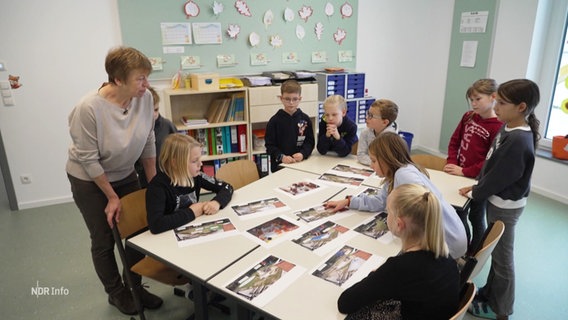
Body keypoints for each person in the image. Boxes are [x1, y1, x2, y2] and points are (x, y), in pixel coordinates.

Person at [66, 46, 162, 315]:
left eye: (147, 77)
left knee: (136, 231)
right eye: (140, 78)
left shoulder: (142, 99)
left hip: (125, 172)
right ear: (118, 79)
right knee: (104, 237)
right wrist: (111, 196)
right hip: (89, 180)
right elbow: (88, 160)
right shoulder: (88, 109)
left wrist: (153, 185)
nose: (146, 84)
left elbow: (148, 140)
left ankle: (134, 285)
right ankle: (116, 292)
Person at [460, 79, 540, 320]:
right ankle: (490, 294)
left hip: (506, 207)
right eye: (497, 100)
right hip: (496, 201)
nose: (496, 107)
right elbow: (491, 164)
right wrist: (478, 185)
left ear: (521, 107)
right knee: (496, 253)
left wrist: (477, 192)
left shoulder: (518, 139)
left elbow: (502, 176)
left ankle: (502, 309)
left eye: (502, 103)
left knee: (503, 260)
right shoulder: (508, 127)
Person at [325, 132, 467, 259]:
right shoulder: (397, 173)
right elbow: (381, 201)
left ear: (387, 159)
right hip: (448, 238)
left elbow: (423, 212)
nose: (371, 165)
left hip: (446, 245)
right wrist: (349, 201)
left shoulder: (404, 175)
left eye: (374, 161)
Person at [337, 183, 459, 320]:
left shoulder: (400, 267)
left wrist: (377, 276)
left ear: (399, 224)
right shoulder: (444, 254)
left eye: (388, 212)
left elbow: (345, 303)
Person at [445, 79, 503, 254]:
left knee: (476, 216)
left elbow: (490, 161)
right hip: (458, 175)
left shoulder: (498, 126)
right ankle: (462, 247)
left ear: (493, 97)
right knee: (458, 213)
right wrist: (452, 162)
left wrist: (465, 171)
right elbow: (455, 141)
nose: (474, 103)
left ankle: (474, 253)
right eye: (472, 99)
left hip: (478, 180)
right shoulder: (468, 116)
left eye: (478, 99)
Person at [146, 133, 233, 234]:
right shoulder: (157, 187)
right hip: (167, 239)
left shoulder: (197, 176)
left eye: (199, 159)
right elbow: (156, 225)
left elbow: (227, 187)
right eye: (194, 161)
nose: (200, 164)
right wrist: (192, 212)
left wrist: (217, 202)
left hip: (191, 229)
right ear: (175, 163)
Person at [265, 79, 315, 172]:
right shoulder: (274, 121)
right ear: (281, 98)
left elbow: (309, 142)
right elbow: (270, 146)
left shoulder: (305, 119)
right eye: (287, 99)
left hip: (301, 164)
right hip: (280, 166)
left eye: (295, 99)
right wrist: (282, 157)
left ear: (300, 99)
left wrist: (303, 154)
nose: (291, 103)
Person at [135, 86, 177, 187]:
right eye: (149, 111)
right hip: (143, 179)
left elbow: (178, 151)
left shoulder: (168, 126)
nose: (153, 114)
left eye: (156, 110)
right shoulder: (135, 129)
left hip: (168, 176)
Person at [357, 99, 399, 166]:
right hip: (370, 167)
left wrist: (375, 164)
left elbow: (388, 162)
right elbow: (360, 155)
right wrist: (375, 164)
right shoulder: (365, 132)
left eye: (371, 116)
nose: (366, 117)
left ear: (384, 122)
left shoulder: (391, 138)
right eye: (368, 113)